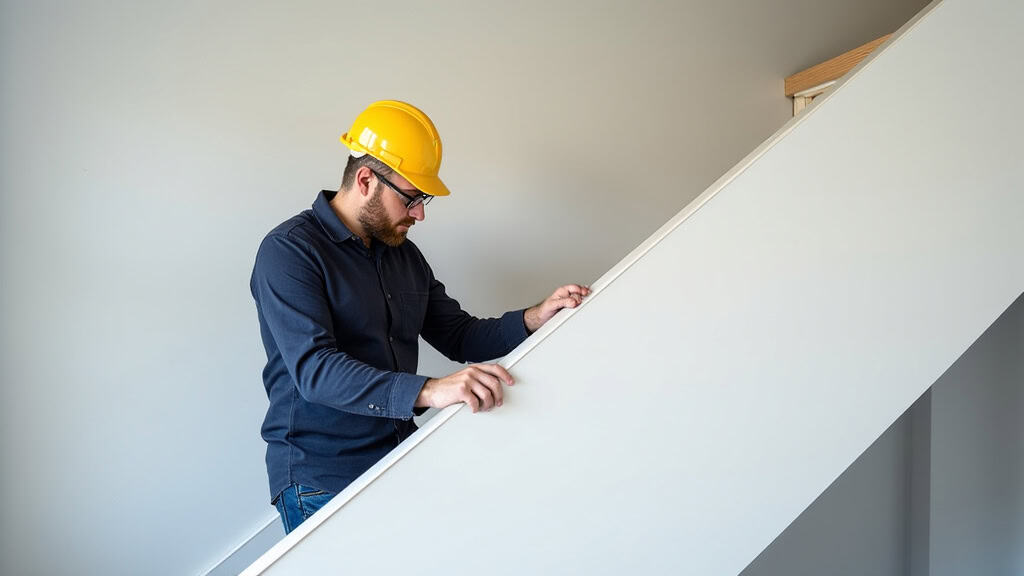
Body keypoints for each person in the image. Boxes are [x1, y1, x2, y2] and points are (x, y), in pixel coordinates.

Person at [250, 100, 590, 533]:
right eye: (411, 198)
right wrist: (429, 390)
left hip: (399, 457)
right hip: (322, 479)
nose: (420, 214)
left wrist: (534, 318)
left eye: (423, 199)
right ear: (366, 180)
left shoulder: (403, 256)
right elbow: (314, 371)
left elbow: (459, 335)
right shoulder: (289, 251)